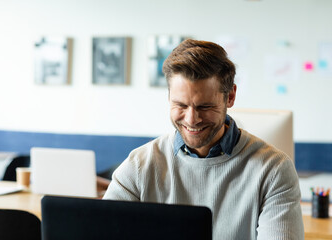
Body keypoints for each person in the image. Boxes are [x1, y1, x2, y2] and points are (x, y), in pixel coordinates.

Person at [103, 39, 304, 239]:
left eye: (204, 107)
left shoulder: (274, 170)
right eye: (181, 105)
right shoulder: (139, 166)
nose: (192, 119)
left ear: (230, 96)